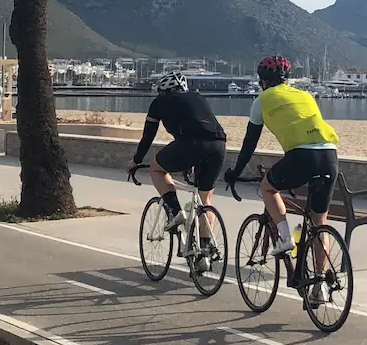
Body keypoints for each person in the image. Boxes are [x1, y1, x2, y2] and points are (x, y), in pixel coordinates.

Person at [223, 56, 339, 255]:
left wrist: (235, 173)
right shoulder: (306, 95)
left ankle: (285, 239)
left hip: (301, 156)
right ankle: (321, 283)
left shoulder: (262, 100)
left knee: (268, 188)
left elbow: (249, 143)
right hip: (329, 154)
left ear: (263, 82)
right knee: (319, 224)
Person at [126, 71, 227, 239]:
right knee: (205, 199)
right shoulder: (199, 98)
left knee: (157, 169)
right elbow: (198, 127)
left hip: (191, 144)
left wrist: (135, 161)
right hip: (219, 144)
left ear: (163, 90)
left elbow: (148, 136)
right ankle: (205, 252)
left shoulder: (160, 102)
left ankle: (175, 212)